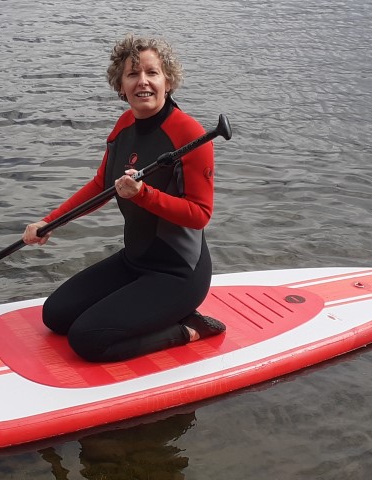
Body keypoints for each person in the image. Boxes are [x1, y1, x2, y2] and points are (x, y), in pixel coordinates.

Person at [22, 34, 225, 363]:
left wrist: (144, 195)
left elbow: (200, 215)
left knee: (87, 340)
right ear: (120, 84)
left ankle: (187, 328)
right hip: (135, 260)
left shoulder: (190, 135)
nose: (142, 82)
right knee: (55, 316)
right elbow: (101, 185)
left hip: (178, 274)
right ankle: (144, 314)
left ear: (168, 80)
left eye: (152, 73)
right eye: (132, 74)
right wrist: (49, 222)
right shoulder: (124, 125)